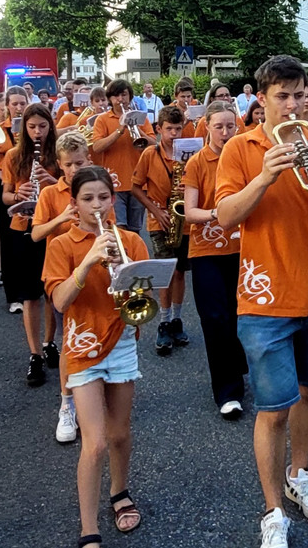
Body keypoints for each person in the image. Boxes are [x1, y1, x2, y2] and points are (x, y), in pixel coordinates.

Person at [215, 55, 308, 548]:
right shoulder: (239, 148)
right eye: (283, 96)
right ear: (261, 99)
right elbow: (226, 216)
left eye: (301, 95)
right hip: (265, 298)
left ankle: (301, 474)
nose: (294, 104)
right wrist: (266, 176)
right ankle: (273, 510)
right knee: (273, 408)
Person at [42, 166, 147, 548]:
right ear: (74, 204)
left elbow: (145, 294)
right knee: (96, 441)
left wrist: (128, 274)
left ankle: (119, 492)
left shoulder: (131, 241)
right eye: (88, 199)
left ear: (113, 199)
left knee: (119, 434)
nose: (97, 205)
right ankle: (89, 526)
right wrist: (88, 262)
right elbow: (59, 300)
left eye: (104, 197)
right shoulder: (61, 245)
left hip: (120, 340)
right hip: (82, 345)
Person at [184, 101, 248, 418]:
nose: (225, 132)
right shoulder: (197, 162)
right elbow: (190, 211)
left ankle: (239, 366)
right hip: (207, 250)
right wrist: (218, 214)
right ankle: (227, 391)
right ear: (206, 127)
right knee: (215, 319)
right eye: (219, 126)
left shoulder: (244, 158)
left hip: (243, 247)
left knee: (241, 316)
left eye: (230, 126)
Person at [32, 131, 92, 443]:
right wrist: (62, 218)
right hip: (62, 273)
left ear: (88, 159)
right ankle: (67, 403)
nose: (74, 170)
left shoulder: (96, 187)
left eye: (79, 162)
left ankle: (93, 396)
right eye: (68, 165)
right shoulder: (49, 194)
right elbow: (36, 234)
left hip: (95, 271)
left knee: (98, 331)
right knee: (69, 339)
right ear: (59, 165)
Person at [1, 103, 62, 386]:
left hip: (51, 230)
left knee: (51, 292)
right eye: (32, 127)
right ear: (24, 128)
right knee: (30, 295)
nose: (38, 132)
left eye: (43, 126)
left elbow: (73, 187)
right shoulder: (14, 156)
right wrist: (18, 195)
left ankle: (50, 342)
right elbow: (5, 196)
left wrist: (54, 180)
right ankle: (34, 353)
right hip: (23, 228)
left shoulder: (58, 153)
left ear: (51, 126)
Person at [130, 105, 191, 354]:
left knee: (180, 273)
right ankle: (164, 322)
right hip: (159, 221)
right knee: (165, 273)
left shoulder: (189, 153)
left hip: (184, 221)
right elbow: (135, 187)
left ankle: (177, 319)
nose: (174, 134)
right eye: (169, 129)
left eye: (178, 129)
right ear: (158, 129)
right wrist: (155, 211)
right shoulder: (149, 154)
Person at [90, 79, 156, 232]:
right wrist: (120, 130)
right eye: (116, 96)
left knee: (134, 229)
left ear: (130, 97)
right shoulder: (102, 119)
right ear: (110, 99)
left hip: (138, 182)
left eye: (124, 95)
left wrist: (137, 130)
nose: (120, 99)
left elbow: (154, 145)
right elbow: (97, 147)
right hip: (114, 182)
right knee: (118, 228)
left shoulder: (141, 118)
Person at [0, 87, 27, 297]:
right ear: (7, 106)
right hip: (8, 188)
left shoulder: (32, 127)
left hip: (30, 186)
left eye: (22, 103)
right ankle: (13, 292)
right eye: (15, 104)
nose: (19, 108)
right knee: (10, 237)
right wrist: (4, 177)